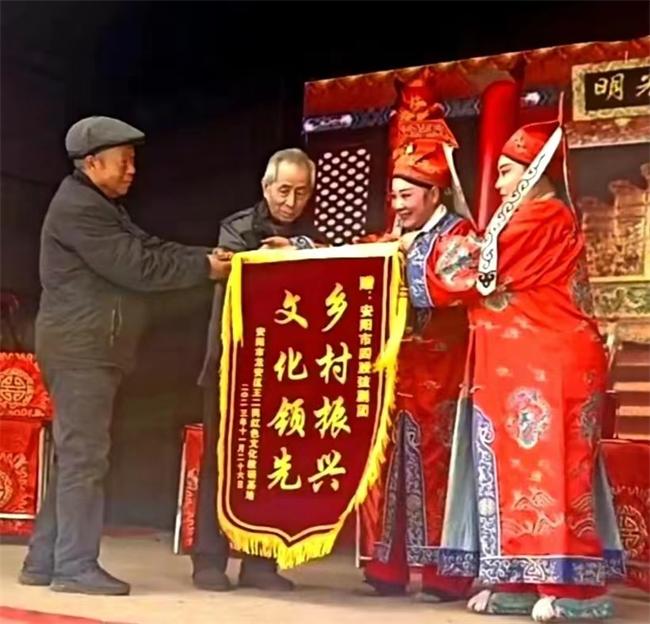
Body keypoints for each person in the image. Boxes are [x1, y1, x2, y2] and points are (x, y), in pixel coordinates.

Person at [401, 121, 623, 620]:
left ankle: (573, 589)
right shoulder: (527, 218)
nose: (499, 184)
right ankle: (518, 578)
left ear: (534, 174)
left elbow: (475, 267)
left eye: (506, 172)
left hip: (550, 363)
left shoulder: (543, 217)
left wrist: (417, 250)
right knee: (512, 473)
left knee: (553, 470)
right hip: (519, 365)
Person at [18, 116, 232, 596]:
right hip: (81, 350)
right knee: (84, 459)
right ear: (93, 163)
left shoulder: (99, 205)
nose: (132, 170)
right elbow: (137, 266)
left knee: (76, 456)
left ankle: (43, 560)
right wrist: (204, 269)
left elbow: (148, 246)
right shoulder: (79, 208)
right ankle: (74, 567)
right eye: (124, 161)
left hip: (88, 346)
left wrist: (207, 256)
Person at [191, 148, 323, 592]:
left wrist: (301, 250)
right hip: (233, 363)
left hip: (286, 371)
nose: (290, 201)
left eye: (301, 192)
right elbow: (239, 267)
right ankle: (208, 560)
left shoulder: (311, 233)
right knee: (221, 460)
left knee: (274, 463)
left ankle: (261, 563)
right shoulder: (238, 226)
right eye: (283, 190)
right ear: (266, 188)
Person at [359, 134, 473, 602]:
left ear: (434, 194)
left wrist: (403, 260)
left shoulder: (460, 234)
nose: (398, 205)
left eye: (406, 195)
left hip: (443, 371)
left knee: (437, 464)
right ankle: (387, 566)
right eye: (394, 196)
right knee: (391, 462)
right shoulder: (397, 236)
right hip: (399, 369)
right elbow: (359, 259)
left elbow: (455, 284)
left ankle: (445, 574)